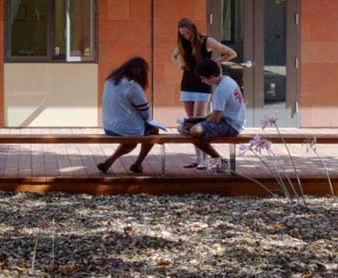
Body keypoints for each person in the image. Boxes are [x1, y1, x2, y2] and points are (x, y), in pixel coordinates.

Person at [173, 18, 236, 169]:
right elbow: (174, 56)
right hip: (187, 83)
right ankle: (197, 158)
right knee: (190, 122)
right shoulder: (183, 43)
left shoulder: (206, 41)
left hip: (202, 84)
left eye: (187, 32)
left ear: (193, 29)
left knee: (199, 122)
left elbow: (231, 53)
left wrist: (215, 63)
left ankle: (206, 159)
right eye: (182, 33)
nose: (185, 35)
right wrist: (180, 65)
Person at [97, 57, 159, 174]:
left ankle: (109, 162)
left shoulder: (110, 81)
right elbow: (145, 111)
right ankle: (138, 163)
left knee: (131, 140)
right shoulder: (133, 86)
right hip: (126, 129)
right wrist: (148, 121)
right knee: (152, 131)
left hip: (108, 127)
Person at [183, 58, 245, 170]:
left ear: (211, 77)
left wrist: (197, 124)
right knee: (185, 127)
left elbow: (216, 118)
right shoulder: (227, 80)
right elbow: (217, 113)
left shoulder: (220, 90)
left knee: (194, 131)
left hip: (232, 126)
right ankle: (218, 162)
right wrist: (199, 120)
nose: (202, 82)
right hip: (233, 121)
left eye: (203, 79)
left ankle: (220, 161)